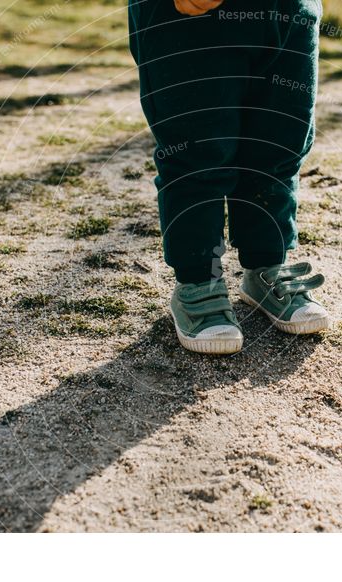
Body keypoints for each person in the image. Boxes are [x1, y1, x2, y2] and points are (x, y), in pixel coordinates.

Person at [128, 0, 329, 354]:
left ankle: (266, 264)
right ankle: (197, 281)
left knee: (280, 142)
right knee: (196, 149)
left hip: (291, 10)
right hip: (190, 16)